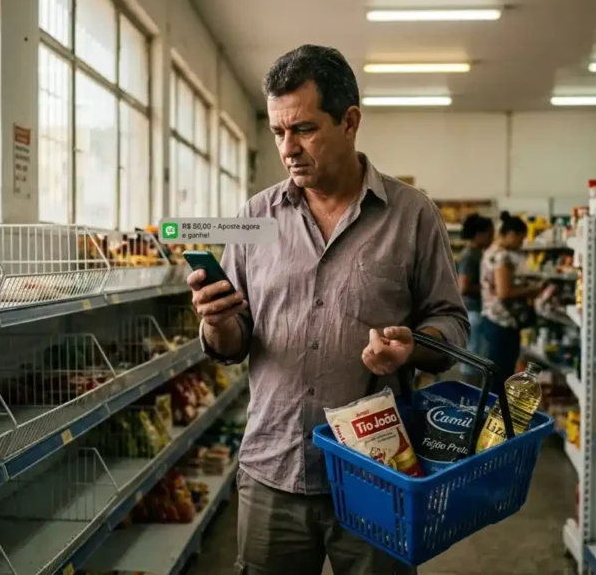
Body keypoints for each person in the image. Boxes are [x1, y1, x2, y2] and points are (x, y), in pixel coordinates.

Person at [186, 44, 468, 575]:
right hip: (274, 468)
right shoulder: (254, 218)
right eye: (277, 132)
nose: (288, 148)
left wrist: (414, 346)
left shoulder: (411, 215)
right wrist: (218, 321)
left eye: (305, 129)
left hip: (376, 470)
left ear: (350, 121)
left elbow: (451, 321)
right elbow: (232, 345)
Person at [478, 213, 541, 378]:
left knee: (494, 374)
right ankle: (498, 404)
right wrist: (532, 290)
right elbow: (504, 292)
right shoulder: (502, 256)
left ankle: (493, 403)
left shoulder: (490, 251)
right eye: (521, 239)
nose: (522, 244)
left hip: (492, 318)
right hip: (502, 323)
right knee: (501, 375)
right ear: (511, 234)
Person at [456, 213, 494, 379]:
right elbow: (463, 286)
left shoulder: (476, 253)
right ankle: (471, 398)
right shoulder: (471, 255)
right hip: (473, 312)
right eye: (490, 234)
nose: (492, 238)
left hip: (476, 311)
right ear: (480, 234)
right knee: (474, 362)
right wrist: (489, 288)